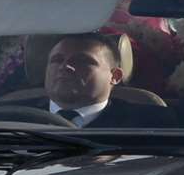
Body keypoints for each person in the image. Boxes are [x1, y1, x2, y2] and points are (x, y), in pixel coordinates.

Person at [43, 34, 174, 128]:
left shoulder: (152, 123)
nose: (64, 66)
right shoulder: (23, 114)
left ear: (115, 76)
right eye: (57, 60)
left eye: (82, 61)